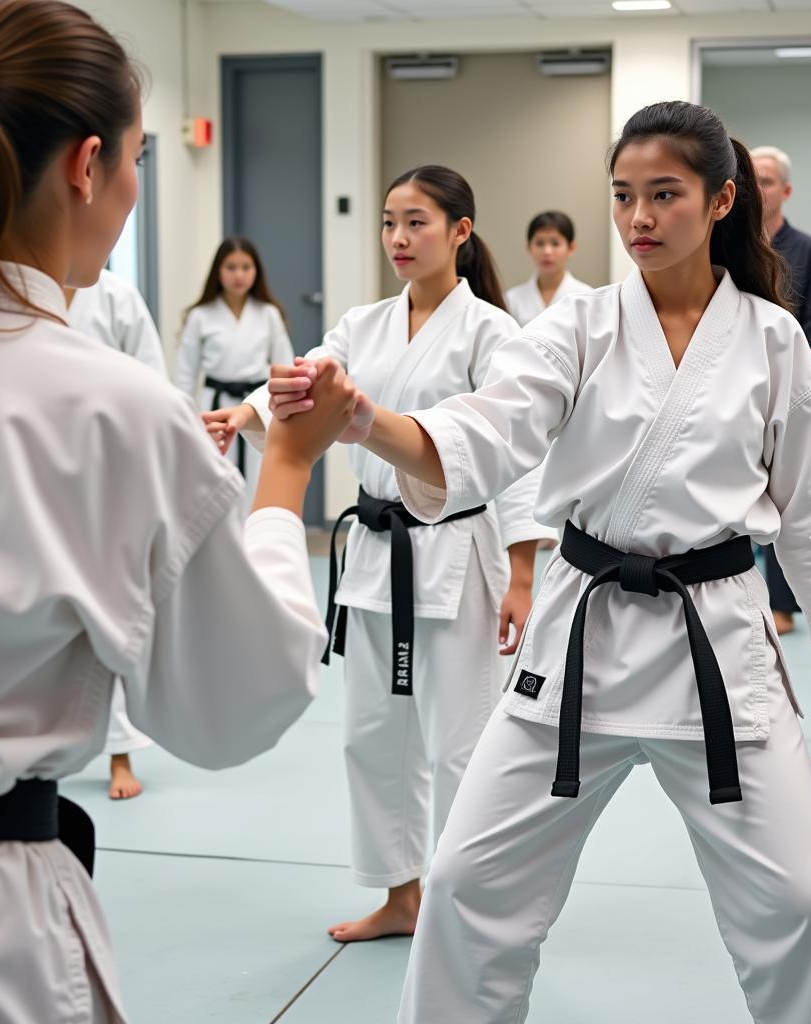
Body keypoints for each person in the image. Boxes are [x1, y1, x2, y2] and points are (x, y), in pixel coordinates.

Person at [271, 101, 811, 1024]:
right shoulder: (579, 327)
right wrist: (363, 421)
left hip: (716, 643)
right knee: (467, 883)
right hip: (580, 637)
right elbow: (488, 429)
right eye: (624, 196)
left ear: (723, 201)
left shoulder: (771, 342)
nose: (639, 217)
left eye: (665, 195)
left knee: (804, 904)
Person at [0, 3, 358, 1021]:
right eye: (140, 158)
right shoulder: (104, 404)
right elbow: (237, 699)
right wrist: (285, 467)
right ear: (88, 164)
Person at [204, 166, 552, 943]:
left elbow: (519, 456)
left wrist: (523, 573)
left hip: (459, 549)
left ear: (461, 231)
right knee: (371, 736)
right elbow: (303, 383)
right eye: (391, 222)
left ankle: (470, 901)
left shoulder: (494, 332)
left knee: (463, 740)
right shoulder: (362, 324)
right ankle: (402, 897)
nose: (399, 237)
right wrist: (244, 414)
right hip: (373, 550)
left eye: (418, 222)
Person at [65, 268, 166, 799]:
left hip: (107, 475)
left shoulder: (118, 299)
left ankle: (120, 755)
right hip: (37, 475)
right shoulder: (8, 291)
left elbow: (152, 385)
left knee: (114, 615)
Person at [750, 144, 811, 634]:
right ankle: (750, 595)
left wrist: (805, 379)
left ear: (785, 190)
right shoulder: (729, 242)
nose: (760, 190)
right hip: (741, 380)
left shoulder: (808, 250)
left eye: (767, 181)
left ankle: (782, 603)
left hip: (789, 378)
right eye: (752, 180)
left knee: (784, 496)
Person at [174, 237, 294, 507]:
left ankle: (254, 543)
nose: (239, 275)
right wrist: (185, 419)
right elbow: (185, 374)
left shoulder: (268, 314)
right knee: (214, 476)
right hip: (214, 405)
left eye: (245, 267)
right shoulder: (200, 316)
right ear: (218, 271)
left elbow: (285, 368)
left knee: (260, 475)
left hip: (259, 407)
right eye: (231, 267)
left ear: (256, 272)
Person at [505, 210, 592, 327]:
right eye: (540, 243)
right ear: (529, 247)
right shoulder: (511, 300)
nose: (547, 251)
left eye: (555, 244)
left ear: (571, 248)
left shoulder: (587, 297)